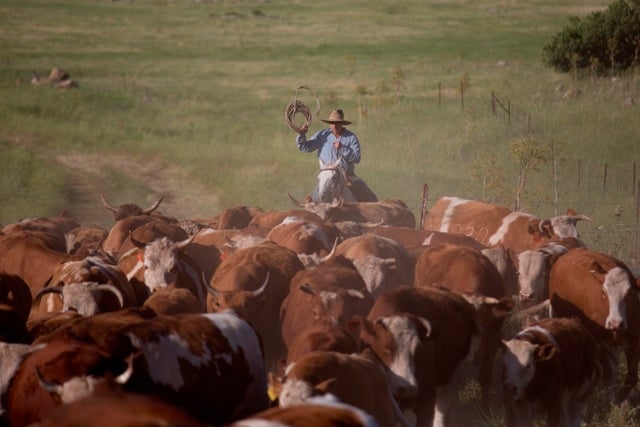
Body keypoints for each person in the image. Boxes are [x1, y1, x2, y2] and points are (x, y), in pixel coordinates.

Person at [296, 109, 378, 203]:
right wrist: (301, 135)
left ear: (342, 124)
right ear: (329, 123)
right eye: (332, 123)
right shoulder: (322, 135)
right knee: (312, 200)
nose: (334, 125)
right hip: (326, 175)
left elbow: (357, 158)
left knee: (368, 196)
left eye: (337, 123)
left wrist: (343, 148)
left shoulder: (351, 137)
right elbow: (306, 147)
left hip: (347, 175)